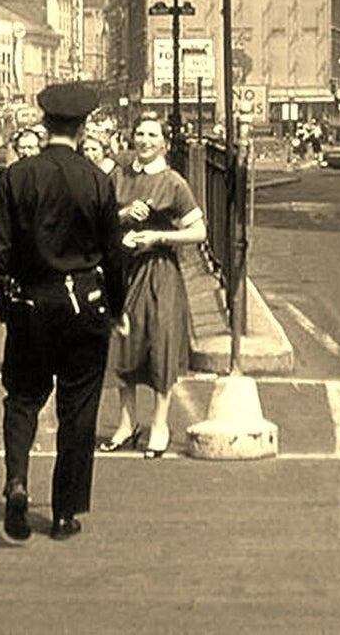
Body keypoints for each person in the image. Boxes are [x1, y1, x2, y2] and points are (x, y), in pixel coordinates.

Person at [0, 83, 126, 543]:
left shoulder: (18, 177)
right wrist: (117, 306)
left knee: (22, 398)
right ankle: (62, 512)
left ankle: (17, 480)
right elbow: (112, 255)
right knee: (78, 410)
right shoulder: (97, 180)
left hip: (29, 306)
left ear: (46, 123)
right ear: (82, 127)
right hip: (84, 306)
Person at [102, 116, 207, 461]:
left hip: (159, 271)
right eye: (140, 133)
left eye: (152, 135)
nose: (145, 140)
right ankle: (127, 422)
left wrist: (160, 236)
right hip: (124, 271)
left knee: (160, 342)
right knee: (123, 345)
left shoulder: (173, 182)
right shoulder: (119, 176)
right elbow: (97, 219)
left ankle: (160, 424)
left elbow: (198, 232)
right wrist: (122, 215)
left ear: (163, 143)